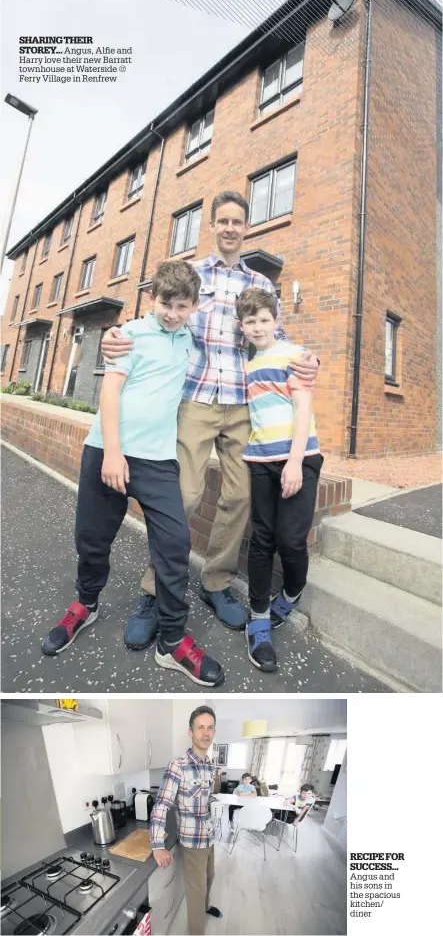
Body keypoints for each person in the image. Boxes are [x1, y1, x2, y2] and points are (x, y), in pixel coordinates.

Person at [101, 190, 320, 647]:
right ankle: (155, 589)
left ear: (247, 226)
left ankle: (216, 582)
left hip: (243, 405)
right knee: (181, 494)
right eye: (222, 220)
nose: (229, 227)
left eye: (237, 221)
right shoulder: (194, 275)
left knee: (239, 499)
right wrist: (116, 336)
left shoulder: (259, 281)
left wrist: (308, 360)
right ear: (213, 226)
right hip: (196, 399)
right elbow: (157, 317)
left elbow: (277, 336)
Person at [41, 261, 224, 688]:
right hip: (108, 451)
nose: (172, 313)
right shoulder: (130, 336)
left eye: (182, 306)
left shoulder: (189, 341)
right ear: (151, 299)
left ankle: (173, 640)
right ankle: (85, 605)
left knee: (175, 543)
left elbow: (241, 332)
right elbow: (110, 391)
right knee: (93, 538)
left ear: (193, 306)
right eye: (165, 303)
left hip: (158, 460)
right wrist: (113, 454)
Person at [236, 287, 324, 673]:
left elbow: (302, 407)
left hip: (298, 459)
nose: (257, 327)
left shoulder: (294, 355)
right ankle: (258, 617)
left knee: (290, 539)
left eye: (264, 320)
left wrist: (292, 462)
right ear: (242, 326)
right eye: (250, 321)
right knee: (261, 540)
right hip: (260, 461)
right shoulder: (248, 366)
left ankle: (291, 590)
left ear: (276, 320)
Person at [150, 705, 222, 936]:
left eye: (210, 727)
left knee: (209, 879)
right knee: (196, 891)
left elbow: (206, 799)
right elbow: (162, 804)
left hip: (208, 837)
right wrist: (157, 845)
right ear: (190, 732)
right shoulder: (177, 766)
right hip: (191, 843)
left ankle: (206, 907)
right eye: (200, 727)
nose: (206, 732)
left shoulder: (210, 765)